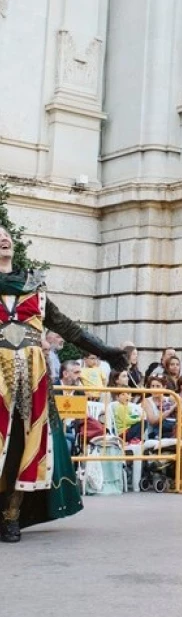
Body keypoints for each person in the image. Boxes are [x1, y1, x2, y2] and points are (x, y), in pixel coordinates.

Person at [0, 226, 127, 543]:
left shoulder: (34, 287)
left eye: (6, 235)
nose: (3, 238)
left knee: (21, 446)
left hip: (31, 380)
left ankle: (10, 515)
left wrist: (104, 350)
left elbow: (68, 328)